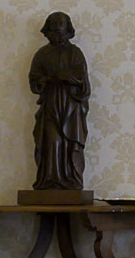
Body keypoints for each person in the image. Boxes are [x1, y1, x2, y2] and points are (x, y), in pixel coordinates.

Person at [28, 11, 90, 191]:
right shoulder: (42, 54)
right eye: (54, 24)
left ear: (67, 28)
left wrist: (69, 77)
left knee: (70, 145)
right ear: (48, 28)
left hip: (71, 107)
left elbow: (83, 81)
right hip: (50, 105)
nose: (57, 27)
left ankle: (71, 180)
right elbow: (34, 80)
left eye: (61, 23)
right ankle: (49, 180)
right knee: (52, 141)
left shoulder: (75, 53)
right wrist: (48, 79)